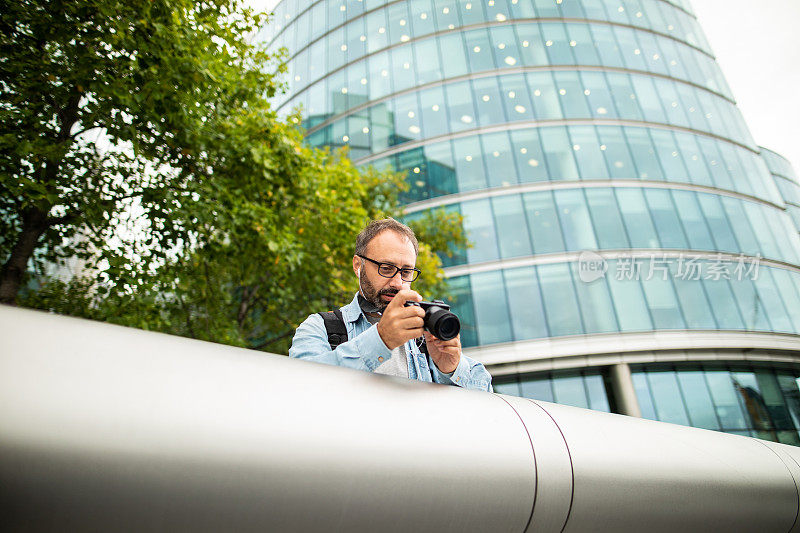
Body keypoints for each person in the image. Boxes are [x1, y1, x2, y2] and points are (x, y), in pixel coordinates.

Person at [289, 218, 492, 392]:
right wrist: (381, 339)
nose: (397, 283)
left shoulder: (425, 335)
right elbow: (301, 386)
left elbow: (487, 397)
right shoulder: (319, 327)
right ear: (358, 265)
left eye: (406, 272)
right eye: (386, 268)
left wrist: (451, 369)